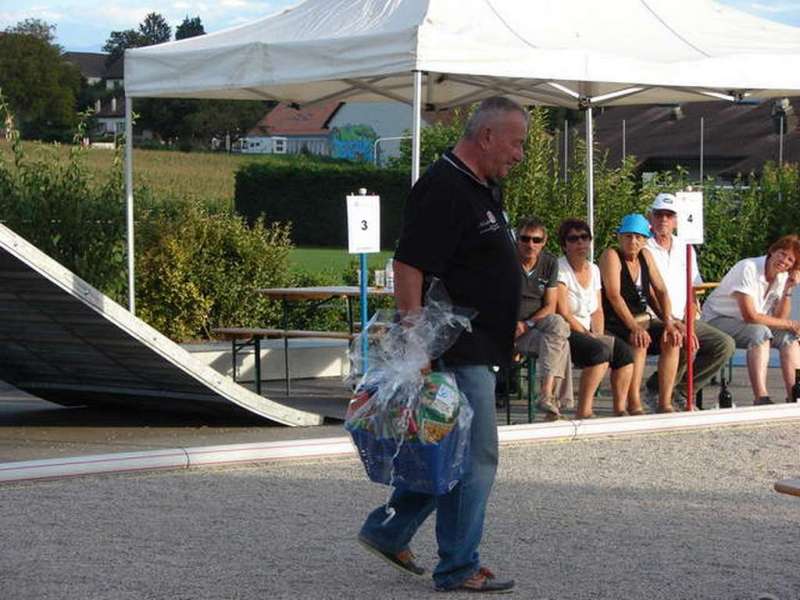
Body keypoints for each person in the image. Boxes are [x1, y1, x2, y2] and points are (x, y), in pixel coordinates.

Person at [358, 96, 525, 593]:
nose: (519, 154)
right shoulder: (444, 186)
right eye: (515, 143)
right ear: (487, 136)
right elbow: (409, 264)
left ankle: (388, 530)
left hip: (478, 344)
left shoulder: (481, 186)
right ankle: (457, 565)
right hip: (454, 347)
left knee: (450, 452)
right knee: (475, 457)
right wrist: (417, 347)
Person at [644, 193, 735, 408]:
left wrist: (691, 318)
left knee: (724, 345)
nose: (663, 219)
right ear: (651, 217)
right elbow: (649, 292)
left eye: (669, 215)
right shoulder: (644, 248)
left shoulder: (686, 248)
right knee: (682, 341)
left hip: (684, 316)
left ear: (676, 220)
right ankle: (660, 392)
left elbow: (693, 289)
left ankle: (681, 389)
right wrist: (673, 321)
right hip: (654, 316)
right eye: (659, 214)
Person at [700, 235, 800, 404]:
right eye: (782, 253)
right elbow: (750, 315)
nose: (784, 261)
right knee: (759, 333)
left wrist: (788, 290)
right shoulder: (748, 267)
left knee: (788, 338)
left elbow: (778, 318)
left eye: (790, 259)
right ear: (772, 251)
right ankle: (761, 397)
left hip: (747, 323)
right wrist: (792, 324)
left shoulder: (782, 277)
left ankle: (795, 394)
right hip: (717, 320)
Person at [599, 213, 683, 414]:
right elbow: (614, 296)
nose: (633, 241)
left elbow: (661, 290)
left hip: (640, 318)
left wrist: (669, 321)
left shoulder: (645, 256)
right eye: (628, 236)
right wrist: (634, 327)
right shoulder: (611, 255)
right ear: (619, 237)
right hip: (616, 320)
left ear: (646, 240)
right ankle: (634, 399)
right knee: (640, 339)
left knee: (672, 338)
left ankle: (664, 401)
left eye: (638, 237)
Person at [555, 218, 635, 417]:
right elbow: (563, 311)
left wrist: (597, 333)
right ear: (564, 245)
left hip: (588, 328)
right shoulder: (559, 269)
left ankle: (620, 408)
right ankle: (584, 410)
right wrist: (587, 334)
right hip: (567, 329)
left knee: (624, 352)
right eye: (573, 239)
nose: (580, 243)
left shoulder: (594, 269)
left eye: (585, 237)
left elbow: (598, 309)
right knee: (599, 352)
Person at [513, 217, 573, 420]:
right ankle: (551, 400)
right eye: (525, 239)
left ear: (544, 242)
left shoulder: (549, 262)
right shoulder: (506, 261)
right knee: (561, 343)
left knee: (558, 323)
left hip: (536, 324)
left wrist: (527, 323)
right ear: (517, 239)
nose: (530, 244)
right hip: (510, 328)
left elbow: (550, 305)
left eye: (536, 240)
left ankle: (546, 394)